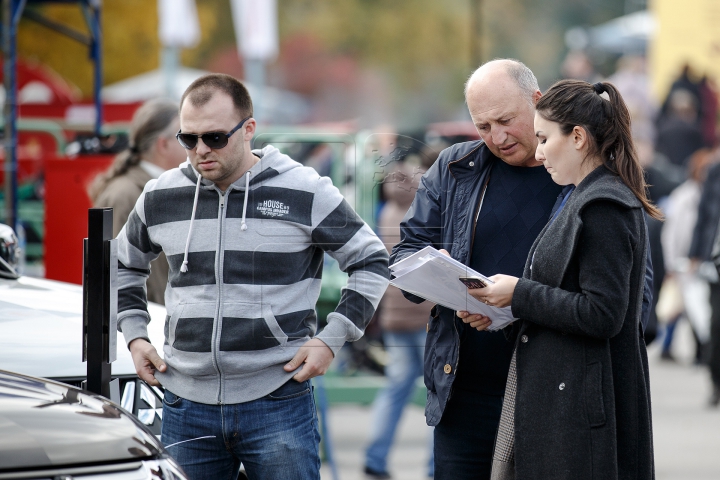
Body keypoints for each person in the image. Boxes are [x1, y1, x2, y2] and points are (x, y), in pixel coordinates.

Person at [115, 73, 389, 479]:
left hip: (277, 398)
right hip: (184, 403)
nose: (200, 151)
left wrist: (331, 341)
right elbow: (121, 263)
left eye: (214, 138)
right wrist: (135, 337)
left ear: (248, 130)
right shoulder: (161, 194)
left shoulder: (303, 189)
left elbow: (370, 260)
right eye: (188, 139)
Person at [472, 79, 657, 479]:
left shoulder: (603, 204)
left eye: (543, 138)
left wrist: (519, 294)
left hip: (581, 415)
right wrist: (505, 307)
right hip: (568, 405)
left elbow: (603, 313)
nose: (538, 152)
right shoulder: (586, 196)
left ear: (577, 137)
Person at [391, 59, 564, 479]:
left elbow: (623, 297)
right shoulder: (455, 168)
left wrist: (521, 299)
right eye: (483, 127)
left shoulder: (579, 175)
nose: (497, 138)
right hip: (463, 388)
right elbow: (403, 254)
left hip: (550, 388)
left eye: (506, 120)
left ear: (537, 102)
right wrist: (440, 275)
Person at [364, 160, 434, 479]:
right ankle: (435, 469)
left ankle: (375, 458)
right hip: (425, 318)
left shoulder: (387, 213)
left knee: (394, 390)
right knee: (438, 393)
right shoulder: (425, 215)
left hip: (394, 318)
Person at [89, 98, 187, 304]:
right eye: (185, 135)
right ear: (163, 144)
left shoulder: (163, 189)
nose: (195, 144)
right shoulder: (125, 195)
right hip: (143, 328)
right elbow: (114, 277)